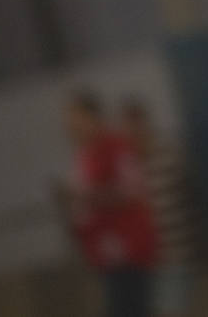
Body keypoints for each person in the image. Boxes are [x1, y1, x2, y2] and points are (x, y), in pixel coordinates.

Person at [55, 91, 156, 317]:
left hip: (128, 252)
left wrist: (84, 196)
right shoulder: (84, 156)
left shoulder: (115, 147)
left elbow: (129, 191)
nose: (70, 126)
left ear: (92, 117)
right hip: (104, 255)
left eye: (75, 118)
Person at [121, 98, 200, 317]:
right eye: (128, 128)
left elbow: (191, 196)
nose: (133, 133)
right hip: (147, 259)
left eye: (136, 126)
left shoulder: (168, 156)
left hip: (176, 252)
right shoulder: (130, 167)